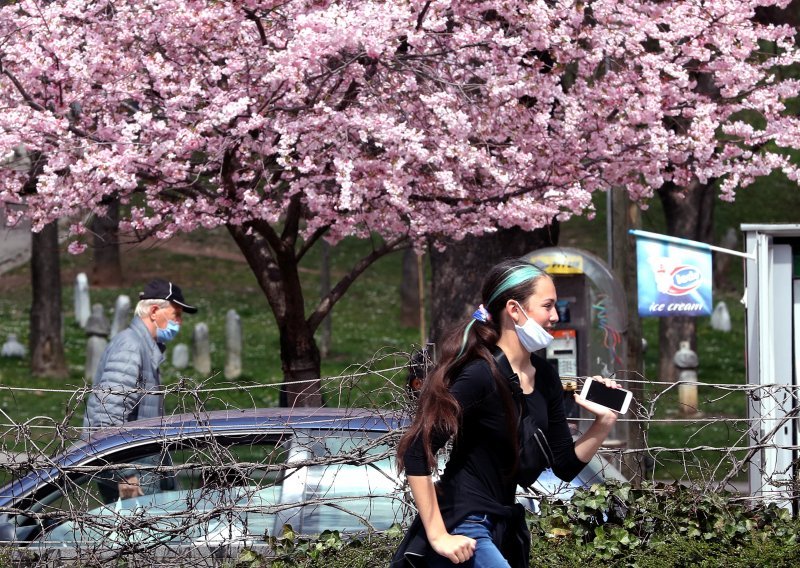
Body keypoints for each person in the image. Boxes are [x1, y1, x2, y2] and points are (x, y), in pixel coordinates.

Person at [392, 259, 621, 567]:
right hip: (465, 521)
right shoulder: (480, 376)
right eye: (548, 306)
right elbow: (417, 448)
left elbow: (564, 465)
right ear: (515, 310)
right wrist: (438, 536)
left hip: (505, 525)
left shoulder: (546, 376)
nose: (555, 316)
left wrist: (603, 422)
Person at [82, 278, 197, 502]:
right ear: (154, 311)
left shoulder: (144, 347)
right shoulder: (130, 347)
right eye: (176, 315)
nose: (180, 323)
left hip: (139, 463)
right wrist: (125, 474)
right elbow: (106, 417)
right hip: (130, 471)